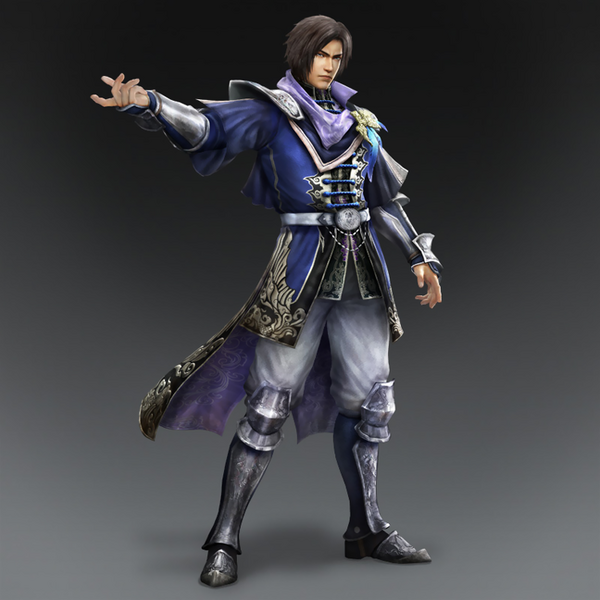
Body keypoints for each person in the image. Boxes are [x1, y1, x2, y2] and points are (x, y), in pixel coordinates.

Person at [92, 15, 442, 587]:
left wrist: (419, 258)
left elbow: (382, 199)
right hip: (298, 276)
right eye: (322, 54)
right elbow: (207, 128)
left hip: (362, 277)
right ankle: (224, 539)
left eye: (337, 56)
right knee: (267, 408)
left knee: (372, 405)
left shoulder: (362, 123)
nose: (329, 64)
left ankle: (367, 527)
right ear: (302, 54)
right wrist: (150, 103)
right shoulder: (271, 112)